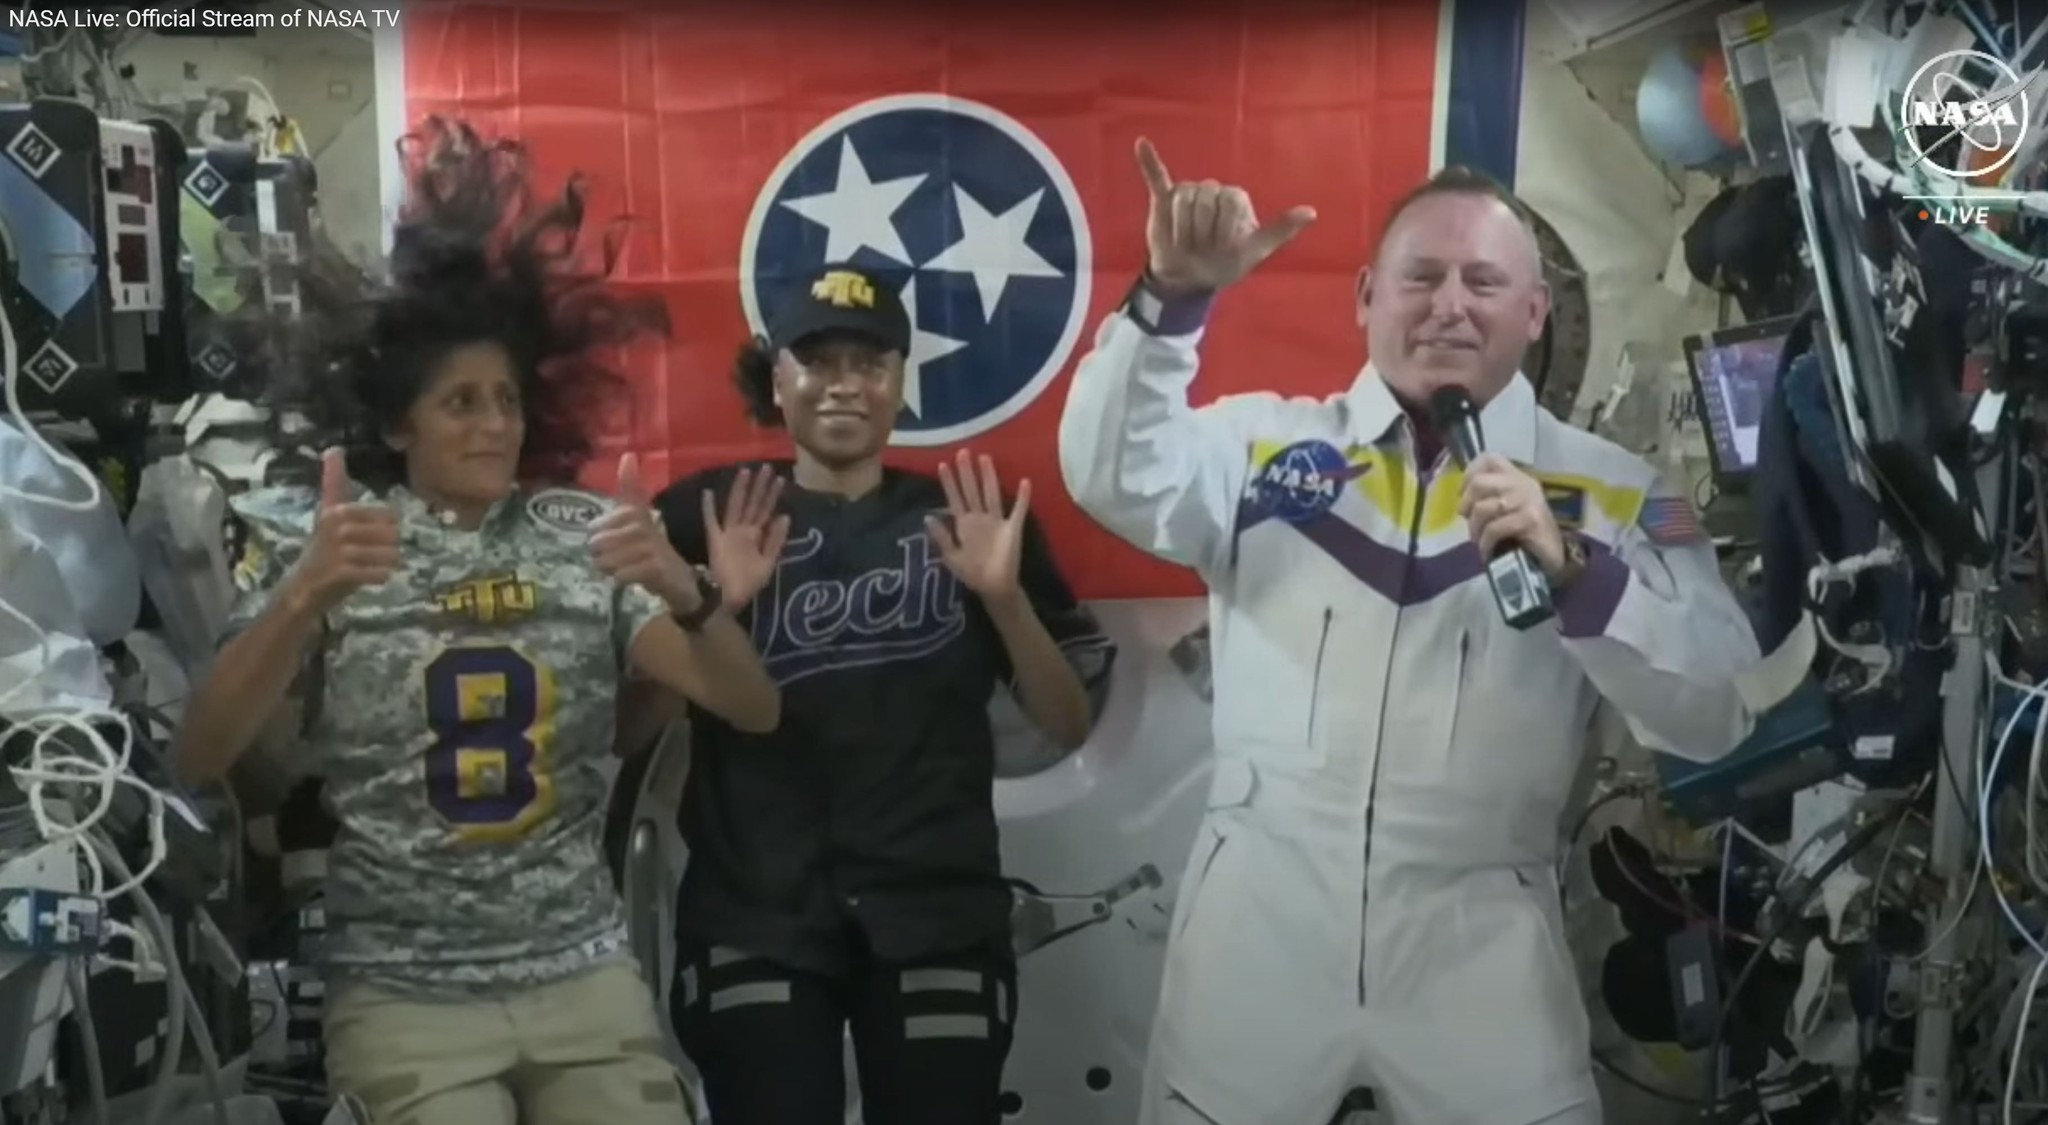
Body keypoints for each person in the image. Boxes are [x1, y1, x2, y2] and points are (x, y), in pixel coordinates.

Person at [1057, 142, 1764, 1125]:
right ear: (1362, 297)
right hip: (1259, 928)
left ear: (1533, 313)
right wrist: (1166, 305)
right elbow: (1106, 471)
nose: (1447, 304)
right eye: (1419, 277)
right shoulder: (1261, 446)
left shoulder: (1618, 491)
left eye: (1483, 281)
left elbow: (1718, 712)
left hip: (1479, 937)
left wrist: (1578, 575)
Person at [169, 117, 784, 1125]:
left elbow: (750, 708)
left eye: (505, 399)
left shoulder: (583, 534)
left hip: (579, 971)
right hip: (404, 990)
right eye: (459, 402)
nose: (494, 424)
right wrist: (300, 600)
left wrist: (687, 594)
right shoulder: (343, 545)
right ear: (394, 420)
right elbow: (200, 757)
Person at [648, 262, 1116, 1125]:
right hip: (757, 915)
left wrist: (1004, 600)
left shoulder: (968, 516)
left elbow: (1066, 723)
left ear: (903, 384)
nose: (843, 386)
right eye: (817, 361)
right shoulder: (699, 515)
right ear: (776, 378)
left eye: (870, 363)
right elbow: (624, 724)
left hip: (936, 910)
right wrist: (712, 607)